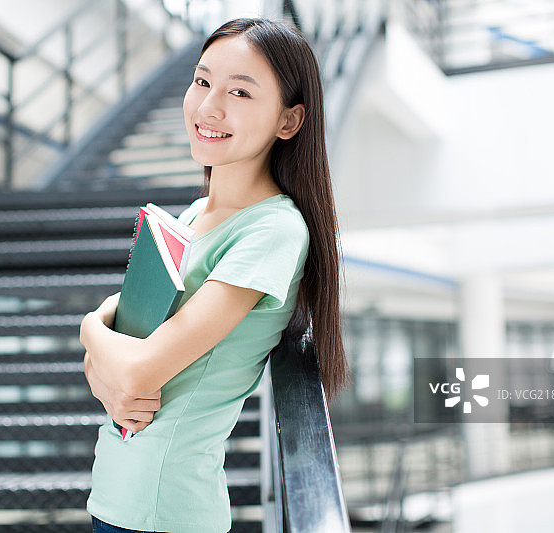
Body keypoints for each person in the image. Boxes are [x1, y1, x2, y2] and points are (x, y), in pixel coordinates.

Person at [80, 18, 348, 533]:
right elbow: (110, 359)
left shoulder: (273, 230)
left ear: (289, 120)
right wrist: (105, 366)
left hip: (165, 509)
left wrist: (88, 326)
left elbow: (135, 369)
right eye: (202, 81)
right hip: (116, 497)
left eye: (240, 92)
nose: (208, 107)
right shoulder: (192, 216)